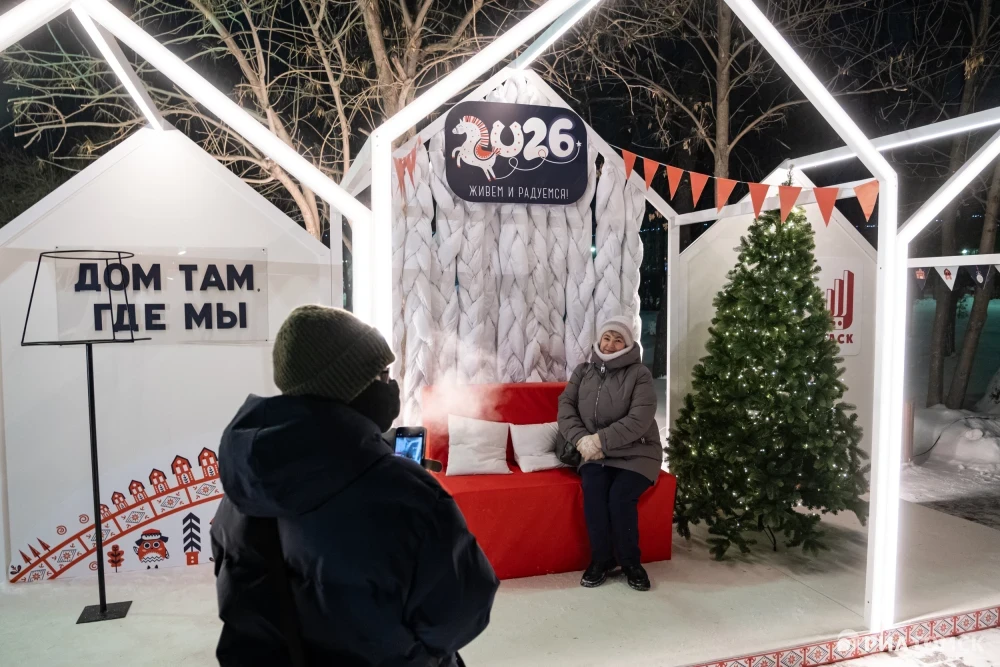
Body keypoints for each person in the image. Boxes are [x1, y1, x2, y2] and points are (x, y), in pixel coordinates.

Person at [211, 305, 499, 667]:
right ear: (347, 386)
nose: (390, 385)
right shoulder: (409, 497)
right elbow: (460, 616)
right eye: (381, 375)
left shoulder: (243, 484)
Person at [557, 315, 662, 592]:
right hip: (593, 452)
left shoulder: (639, 374)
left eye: (618, 340)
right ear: (599, 340)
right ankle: (602, 560)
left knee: (619, 497)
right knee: (594, 492)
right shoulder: (583, 372)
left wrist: (600, 440)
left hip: (637, 451)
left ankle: (630, 563)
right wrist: (582, 440)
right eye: (607, 338)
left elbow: (640, 418)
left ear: (627, 346)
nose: (611, 344)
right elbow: (565, 408)